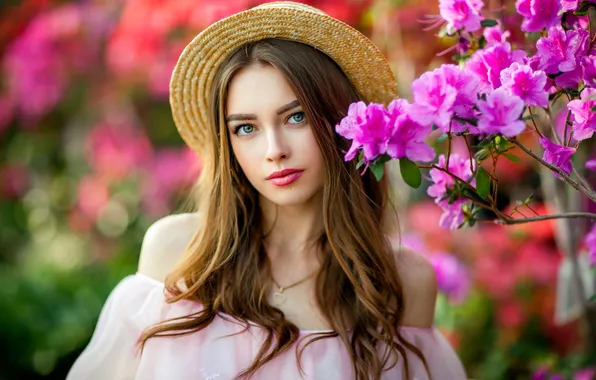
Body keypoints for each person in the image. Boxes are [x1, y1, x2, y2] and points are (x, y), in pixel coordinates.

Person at [67, 2, 467, 379]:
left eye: (296, 117)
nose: (274, 151)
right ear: (229, 145)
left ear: (339, 119)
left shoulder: (401, 282)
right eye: (246, 128)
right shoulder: (179, 254)